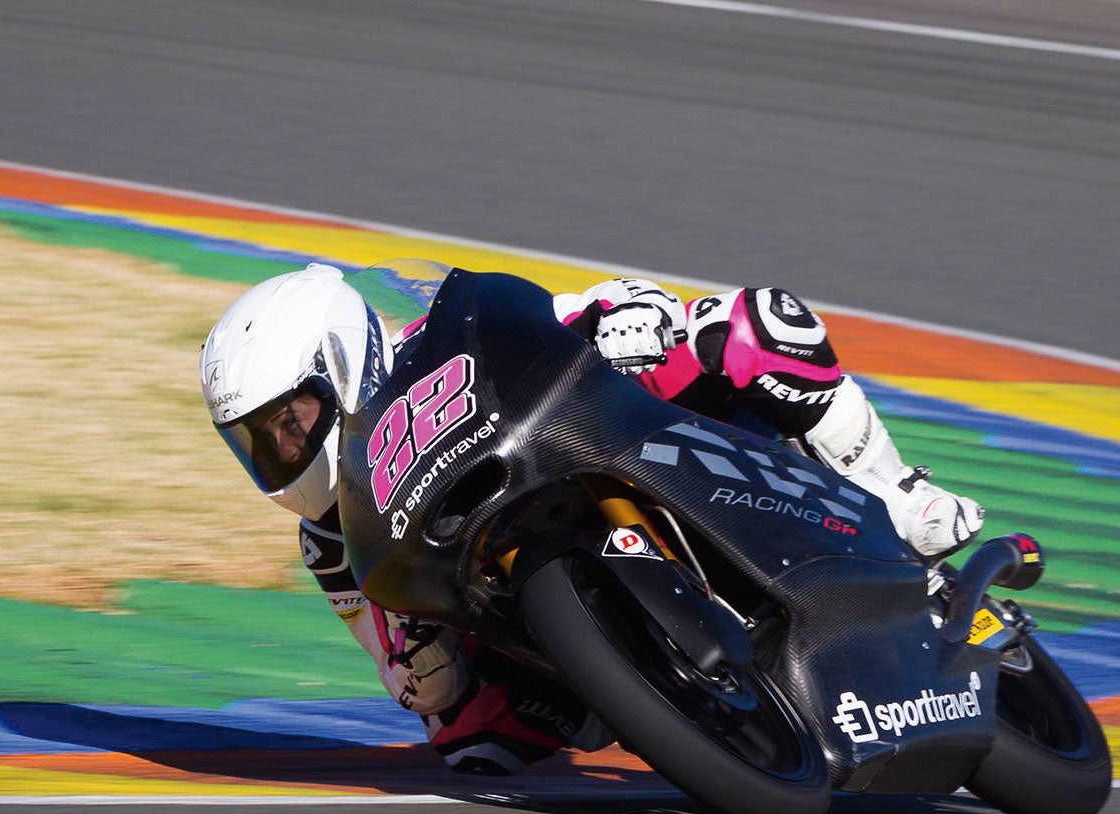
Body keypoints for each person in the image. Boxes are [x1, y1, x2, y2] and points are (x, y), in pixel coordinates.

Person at [200, 263, 984, 775]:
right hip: (515, 596)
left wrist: (627, 316)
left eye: (290, 417)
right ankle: (631, 679)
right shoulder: (328, 537)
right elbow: (407, 669)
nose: (282, 445)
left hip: (609, 433)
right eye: (257, 441)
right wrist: (413, 664)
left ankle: (895, 496)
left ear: (337, 359)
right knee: (469, 740)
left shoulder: (432, 339)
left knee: (752, 325)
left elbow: (576, 306)